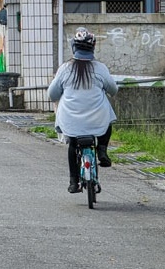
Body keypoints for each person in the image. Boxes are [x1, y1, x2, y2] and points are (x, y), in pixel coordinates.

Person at [48, 27, 118, 194]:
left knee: (72, 144)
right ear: (93, 47)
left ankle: (73, 182)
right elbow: (113, 90)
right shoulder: (100, 68)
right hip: (97, 121)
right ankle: (102, 150)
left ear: (74, 47)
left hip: (71, 122)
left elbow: (52, 94)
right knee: (107, 120)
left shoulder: (65, 68)